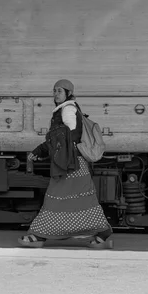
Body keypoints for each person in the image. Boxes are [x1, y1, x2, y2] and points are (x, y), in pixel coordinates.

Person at [19, 79, 113, 249]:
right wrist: (45, 151)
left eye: (60, 91)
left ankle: (39, 235)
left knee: (54, 198)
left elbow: (63, 138)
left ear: (68, 93)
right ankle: (103, 234)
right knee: (84, 200)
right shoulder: (65, 109)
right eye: (54, 90)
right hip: (72, 162)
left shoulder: (68, 109)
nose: (55, 94)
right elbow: (60, 140)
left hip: (69, 164)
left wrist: (40, 150)